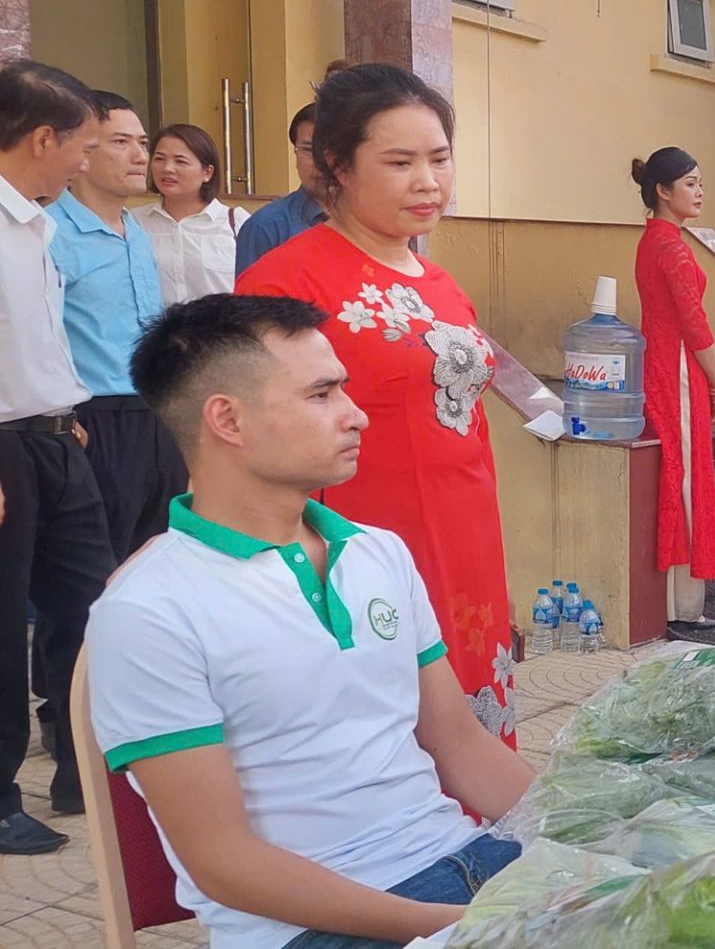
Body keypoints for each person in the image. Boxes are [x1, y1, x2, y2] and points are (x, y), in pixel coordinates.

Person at [88, 293, 532, 949]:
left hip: (470, 867)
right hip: (310, 943)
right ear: (227, 419)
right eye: (323, 394)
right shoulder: (149, 610)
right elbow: (223, 862)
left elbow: (462, 748)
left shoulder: (377, 553)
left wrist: (597, 831)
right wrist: (441, 925)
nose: (355, 414)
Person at [237, 63, 516, 744]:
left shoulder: (442, 282)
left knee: (471, 724)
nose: (428, 181)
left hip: (466, 533)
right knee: (388, 735)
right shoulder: (284, 279)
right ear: (338, 165)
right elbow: (250, 438)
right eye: (399, 162)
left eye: (440, 158)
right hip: (357, 541)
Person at [0, 61, 113, 854]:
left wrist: (63, 412)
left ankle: (83, 767)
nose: (86, 161)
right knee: (5, 627)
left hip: (54, 437)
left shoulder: (37, 223)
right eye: (81, 144)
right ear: (43, 137)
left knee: (89, 607)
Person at [49, 92, 186, 562]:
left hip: (154, 412)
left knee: (154, 564)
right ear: (83, 153)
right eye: (121, 142)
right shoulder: (50, 233)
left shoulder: (138, 230)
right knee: (88, 577)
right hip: (92, 418)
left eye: (142, 141)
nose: (140, 156)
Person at [631, 147, 715, 629]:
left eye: (699, 182)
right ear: (662, 191)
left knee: (675, 472)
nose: (699, 191)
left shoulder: (654, 240)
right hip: (676, 369)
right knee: (685, 474)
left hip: (663, 363)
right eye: (690, 183)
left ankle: (676, 604)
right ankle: (684, 607)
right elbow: (694, 321)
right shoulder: (670, 246)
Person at [138, 122, 250, 303]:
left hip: (222, 329)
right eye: (159, 159)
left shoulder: (237, 223)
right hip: (159, 330)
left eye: (180, 161)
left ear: (207, 172)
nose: (167, 168)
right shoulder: (134, 222)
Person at [233, 102, 326, 277]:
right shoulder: (265, 227)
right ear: (295, 154)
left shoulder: (375, 220)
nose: (319, 162)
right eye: (308, 150)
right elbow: (250, 302)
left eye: (331, 150)